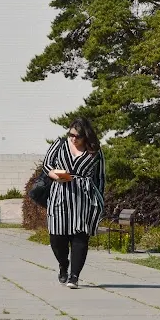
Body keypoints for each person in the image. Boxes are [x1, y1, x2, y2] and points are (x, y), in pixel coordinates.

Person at [42, 117, 105, 289]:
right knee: (56, 237)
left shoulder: (95, 151)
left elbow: (100, 178)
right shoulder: (59, 144)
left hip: (83, 198)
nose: (73, 139)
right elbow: (46, 164)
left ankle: (74, 276)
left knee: (80, 236)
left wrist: (99, 201)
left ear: (86, 136)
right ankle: (64, 264)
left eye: (77, 136)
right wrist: (54, 174)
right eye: (71, 134)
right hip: (59, 195)